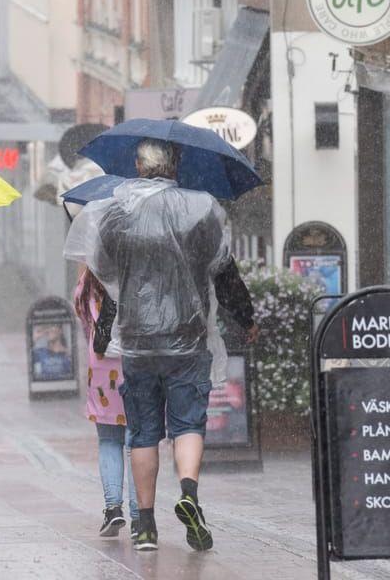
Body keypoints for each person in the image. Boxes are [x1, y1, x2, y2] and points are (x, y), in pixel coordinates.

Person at [64, 138, 258, 553]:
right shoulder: (202, 209)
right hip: (187, 338)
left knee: (143, 431)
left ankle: (146, 526)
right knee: (188, 424)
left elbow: (105, 272)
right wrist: (246, 317)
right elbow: (223, 271)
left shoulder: (114, 214)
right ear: (176, 166)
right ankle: (188, 493)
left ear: (137, 164)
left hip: (137, 340)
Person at [73, 264, 139, 539]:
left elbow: (83, 314)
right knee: (137, 441)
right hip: (135, 363)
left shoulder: (90, 280)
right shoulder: (136, 271)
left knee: (110, 440)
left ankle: (113, 509)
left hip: (101, 369)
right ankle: (140, 515)